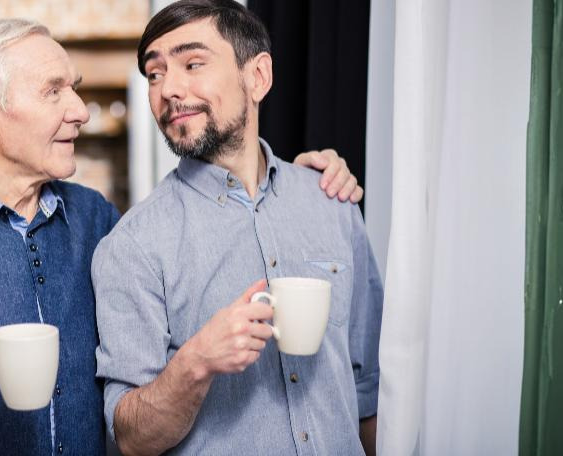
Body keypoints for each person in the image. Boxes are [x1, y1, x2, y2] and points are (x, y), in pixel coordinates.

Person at [0, 17, 366, 455]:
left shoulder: (97, 220)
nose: (80, 111)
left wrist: (303, 183)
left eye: (74, 89)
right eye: (54, 92)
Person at [93, 1, 384, 455]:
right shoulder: (131, 247)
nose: (168, 88)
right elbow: (130, 437)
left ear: (258, 77)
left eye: (192, 63)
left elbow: (366, 389)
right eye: (154, 74)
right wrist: (196, 363)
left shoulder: (333, 202)